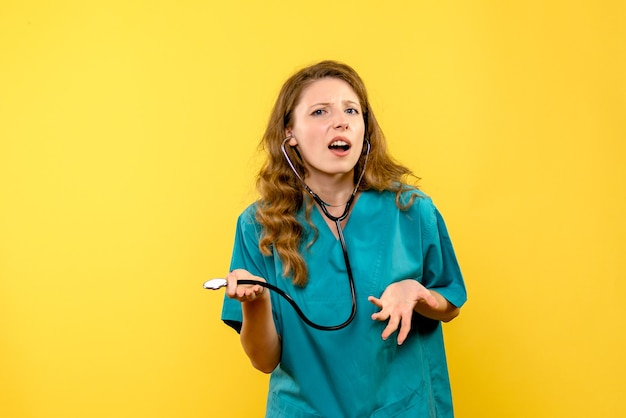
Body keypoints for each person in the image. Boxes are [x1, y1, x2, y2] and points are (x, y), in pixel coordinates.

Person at [220, 60, 467, 418]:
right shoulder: (258, 225)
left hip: (402, 408)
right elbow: (265, 360)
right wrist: (254, 302)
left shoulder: (412, 210)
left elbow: (451, 303)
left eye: (352, 110)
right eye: (320, 111)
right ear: (289, 132)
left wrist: (416, 291)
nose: (341, 120)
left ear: (364, 129)